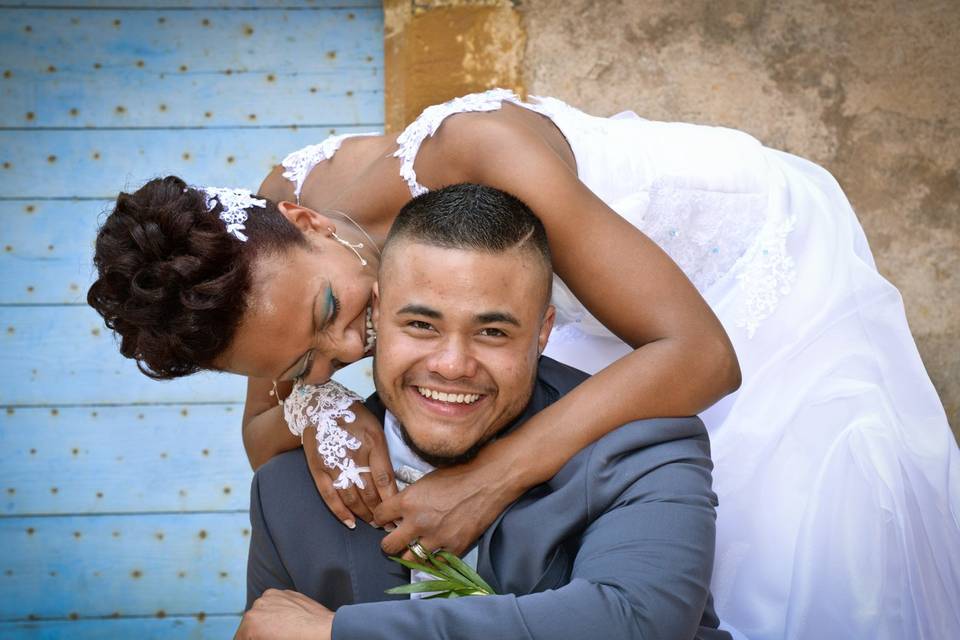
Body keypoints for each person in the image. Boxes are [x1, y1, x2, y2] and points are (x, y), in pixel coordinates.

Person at [87, 88, 959, 638]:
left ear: (311, 222)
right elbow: (264, 438)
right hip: (516, 310)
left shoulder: (478, 155)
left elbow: (699, 353)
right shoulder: (271, 280)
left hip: (738, 276)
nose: (344, 353)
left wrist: (490, 479)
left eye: (331, 316)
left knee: (775, 551)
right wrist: (321, 410)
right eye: (302, 360)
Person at [237, 183, 730, 640]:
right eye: (421, 325)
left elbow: (636, 623)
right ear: (379, 313)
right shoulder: (287, 493)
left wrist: (337, 634)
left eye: (492, 332)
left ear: (542, 332)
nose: (452, 366)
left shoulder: (644, 449)